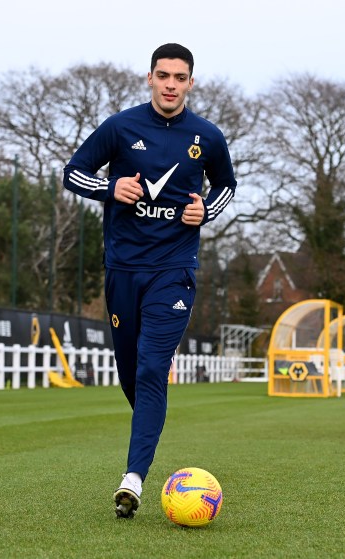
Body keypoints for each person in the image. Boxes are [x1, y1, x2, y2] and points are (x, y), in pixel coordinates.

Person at [63, 43, 237, 518]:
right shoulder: (121, 127)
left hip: (174, 271)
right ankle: (151, 420)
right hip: (122, 270)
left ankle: (133, 478)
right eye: (163, 76)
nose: (170, 85)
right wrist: (109, 187)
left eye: (180, 78)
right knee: (132, 376)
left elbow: (225, 186)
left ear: (191, 83)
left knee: (150, 368)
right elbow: (73, 172)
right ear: (150, 78)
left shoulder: (207, 135)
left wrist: (206, 211)